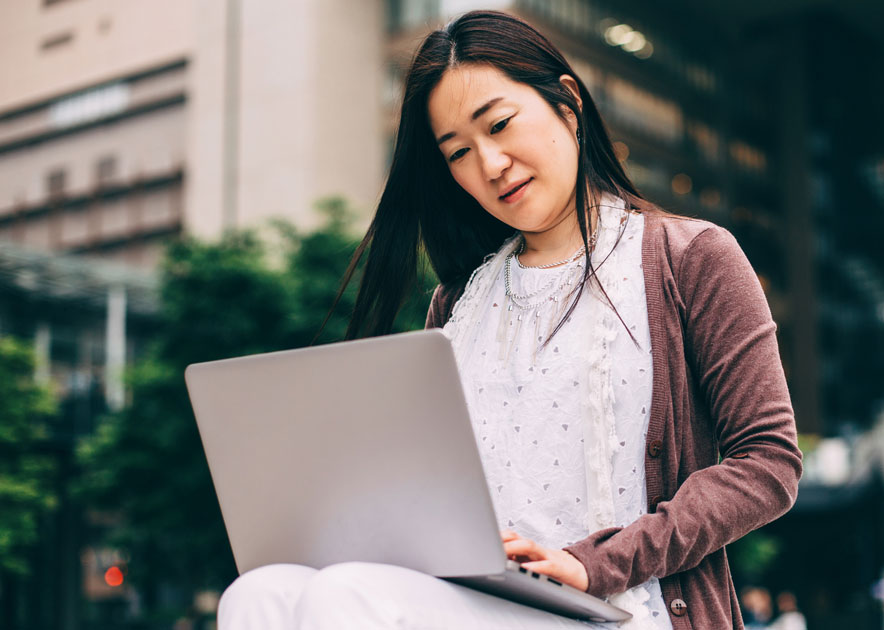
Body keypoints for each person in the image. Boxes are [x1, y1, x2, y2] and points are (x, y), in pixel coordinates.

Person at [216, 9, 803, 630]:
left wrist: (592, 563)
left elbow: (768, 461)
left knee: (347, 598)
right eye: (458, 153)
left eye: (499, 125)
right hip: (478, 598)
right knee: (258, 595)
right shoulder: (458, 304)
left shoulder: (689, 257)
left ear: (567, 104)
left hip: (615, 607)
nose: (490, 164)